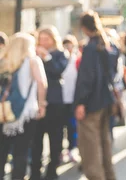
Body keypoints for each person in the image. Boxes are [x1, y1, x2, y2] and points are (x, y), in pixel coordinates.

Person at [74, 11, 120, 180]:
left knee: (90, 149)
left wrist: (81, 102)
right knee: (104, 143)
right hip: (106, 99)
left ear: (84, 28)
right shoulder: (108, 45)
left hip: (92, 102)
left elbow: (87, 77)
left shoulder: (91, 47)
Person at [0, 33, 48, 180]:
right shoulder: (33, 61)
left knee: (2, 152)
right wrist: (42, 104)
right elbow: (41, 83)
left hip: (4, 113)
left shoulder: (4, 61)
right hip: (27, 113)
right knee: (21, 152)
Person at [30, 26, 68, 180]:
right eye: (41, 39)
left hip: (55, 103)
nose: (44, 42)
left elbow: (58, 70)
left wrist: (47, 58)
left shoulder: (59, 54)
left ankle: (52, 170)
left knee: (55, 138)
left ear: (53, 39)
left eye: (47, 39)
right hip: (37, 102)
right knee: (36, 139)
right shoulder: (33, 54)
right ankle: (34, 171)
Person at [61, 35, 79, 163]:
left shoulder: (77, 59)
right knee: (62, 126)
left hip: (73, 98)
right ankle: (62, 150)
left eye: (70, 44)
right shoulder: (60, 60)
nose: (68, 47)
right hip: (61, 99)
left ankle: (73, 148)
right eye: (65, 45)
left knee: (73, 126)